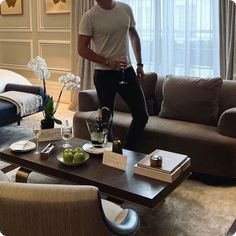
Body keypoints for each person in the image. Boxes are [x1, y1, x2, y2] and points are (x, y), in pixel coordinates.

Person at [78, 0, 148, 151]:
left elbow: (133, 35)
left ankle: (128, 151)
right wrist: (107, 61)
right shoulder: (89, 17)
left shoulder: (125, 9)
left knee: (142, 115)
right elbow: (81, 49)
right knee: (106, 120)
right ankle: (112, 156)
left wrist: (140, 64)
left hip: (126, 71)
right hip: (104, 74)